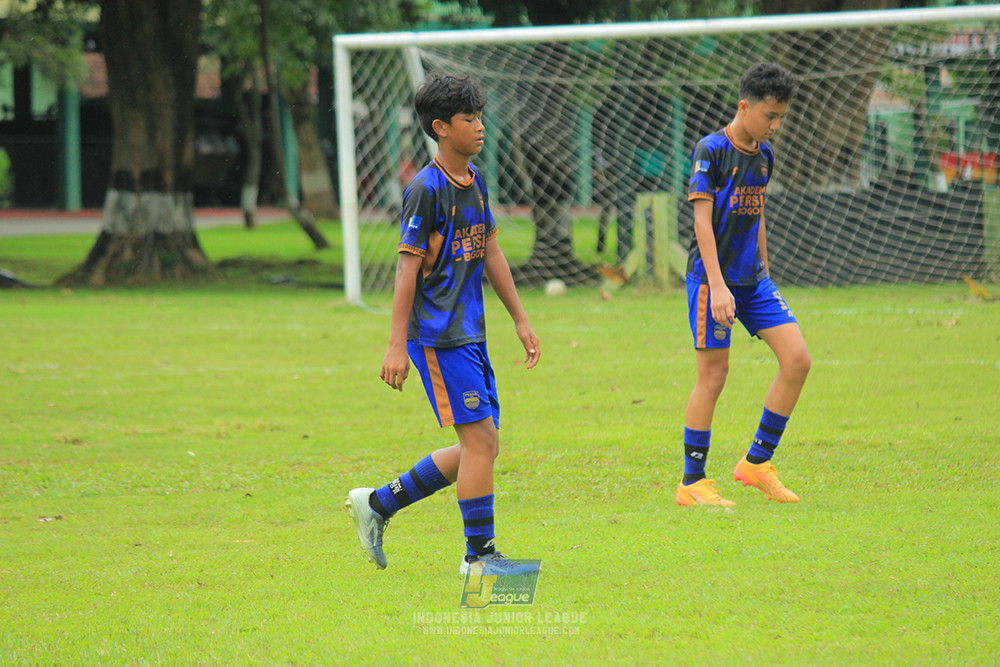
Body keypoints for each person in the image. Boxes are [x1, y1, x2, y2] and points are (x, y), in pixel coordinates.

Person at [345, 75, 541, 573]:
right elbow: (405, 268)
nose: (480, 127)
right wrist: (395, 344)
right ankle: (479, 560)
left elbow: (491, 249)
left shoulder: (474, 182)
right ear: (441, 128)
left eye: (480, 117)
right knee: (480, 443)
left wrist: (520, 319)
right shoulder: (425, 191)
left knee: (483, 444)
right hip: (436, 337)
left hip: (470, 333)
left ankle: (378, 504)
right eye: (469, 120)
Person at [676, 63, 811, 508]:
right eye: (770, 115)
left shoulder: (765, 157)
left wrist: (765, 268)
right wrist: (717, 286)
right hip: (713, 282)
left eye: (781, 118)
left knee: (797, 360)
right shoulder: (710, 151)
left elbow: (758, 213)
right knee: (714, 376)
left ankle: (756, 463)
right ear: (744, 106)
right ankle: (692, 483)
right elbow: (701, 222)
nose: (775, 125)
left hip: (754, 283)